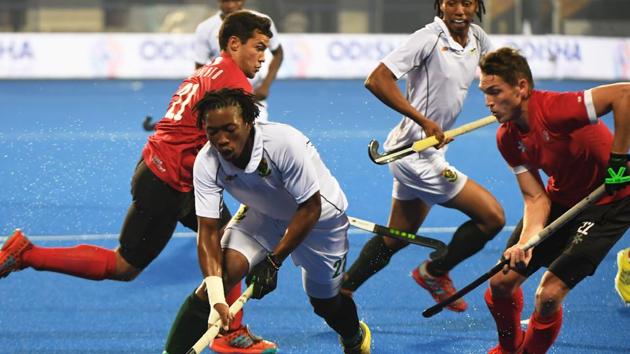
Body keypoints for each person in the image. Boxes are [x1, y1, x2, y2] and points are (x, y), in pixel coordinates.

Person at [0, 11, 277, 354]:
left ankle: (230, 332)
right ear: (234, 44)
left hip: (162, 173)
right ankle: (26, 254)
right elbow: (239, 148)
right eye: (259, 47)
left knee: (211, 243)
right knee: (132, 264)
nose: (263, 56)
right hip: (168, 182)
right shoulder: (234, 82)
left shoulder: (208, 71)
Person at [162, 88, 371, 354]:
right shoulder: (207, 162)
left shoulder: (283, 143)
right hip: (263, 215)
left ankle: (354, 336)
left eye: (230, 129)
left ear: (248, 123)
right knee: (220, 278)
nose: (221, 140)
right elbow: (208, 232)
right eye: (212, 132)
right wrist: (217, 298)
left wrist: (273, 262)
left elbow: (310, 208)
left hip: (320, 221)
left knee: (324, 303)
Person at [341, 0, 504, 313]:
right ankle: (434, 272)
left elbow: (496, 77)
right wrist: (423, 120)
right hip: (415, 156)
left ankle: (344, 289)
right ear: (440, 4)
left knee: (398, 236)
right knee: (492, 217)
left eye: (467, 2)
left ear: (476, 6)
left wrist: (505, 99)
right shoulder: (427, 38)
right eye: (451, 2)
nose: (459, 9)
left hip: (427, 150)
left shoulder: (478, 39)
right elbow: (376, 80)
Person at [478, 47, 630, 353]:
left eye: (495, 92)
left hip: (610, 202)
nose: (488, 103)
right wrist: (525, 244)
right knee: (501, 283)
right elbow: (535, 198)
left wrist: (618, 158)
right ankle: (509, 349)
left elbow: (624, 95)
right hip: (562, 199)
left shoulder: (556, 109)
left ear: (521, 87)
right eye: (484, 93)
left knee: (547, 296)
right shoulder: (506, 138)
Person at [193, 0, 283, 122]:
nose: (230, 5)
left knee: (255, 136)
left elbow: (278, 53)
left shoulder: (261, 21)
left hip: (253, 96)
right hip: (222, 97)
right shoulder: (205, 28)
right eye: (225, 1)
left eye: (235, 0)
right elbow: (200, 67)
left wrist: (265, 86)